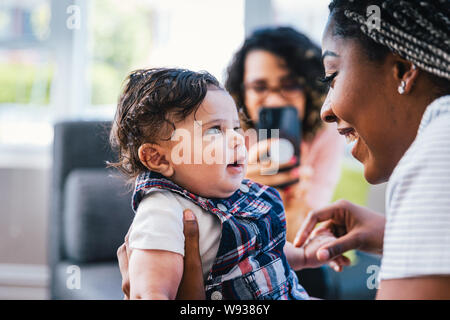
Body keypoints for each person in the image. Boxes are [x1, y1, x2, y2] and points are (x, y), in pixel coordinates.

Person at [109, 68, 349, 300]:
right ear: (158, 158)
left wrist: (305, 255)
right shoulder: (162, 211)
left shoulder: (234, 194)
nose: (238, 138)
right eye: (215, 130)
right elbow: (150, 292)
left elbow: (260, 253)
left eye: (235, 128)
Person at [293, 0, 450, 299]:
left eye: (332, 76)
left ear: (403, 70)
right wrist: (398, 236)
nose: (326, 111)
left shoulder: (440, 149)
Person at [225, 27, 345, 241]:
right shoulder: (226, 135)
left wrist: (294, 208)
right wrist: (236, 189)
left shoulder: (326, 133)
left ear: (308, 89)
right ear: (242, 92)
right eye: (259, 87)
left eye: (289, 86)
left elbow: (303, 235)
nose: (274, 100)